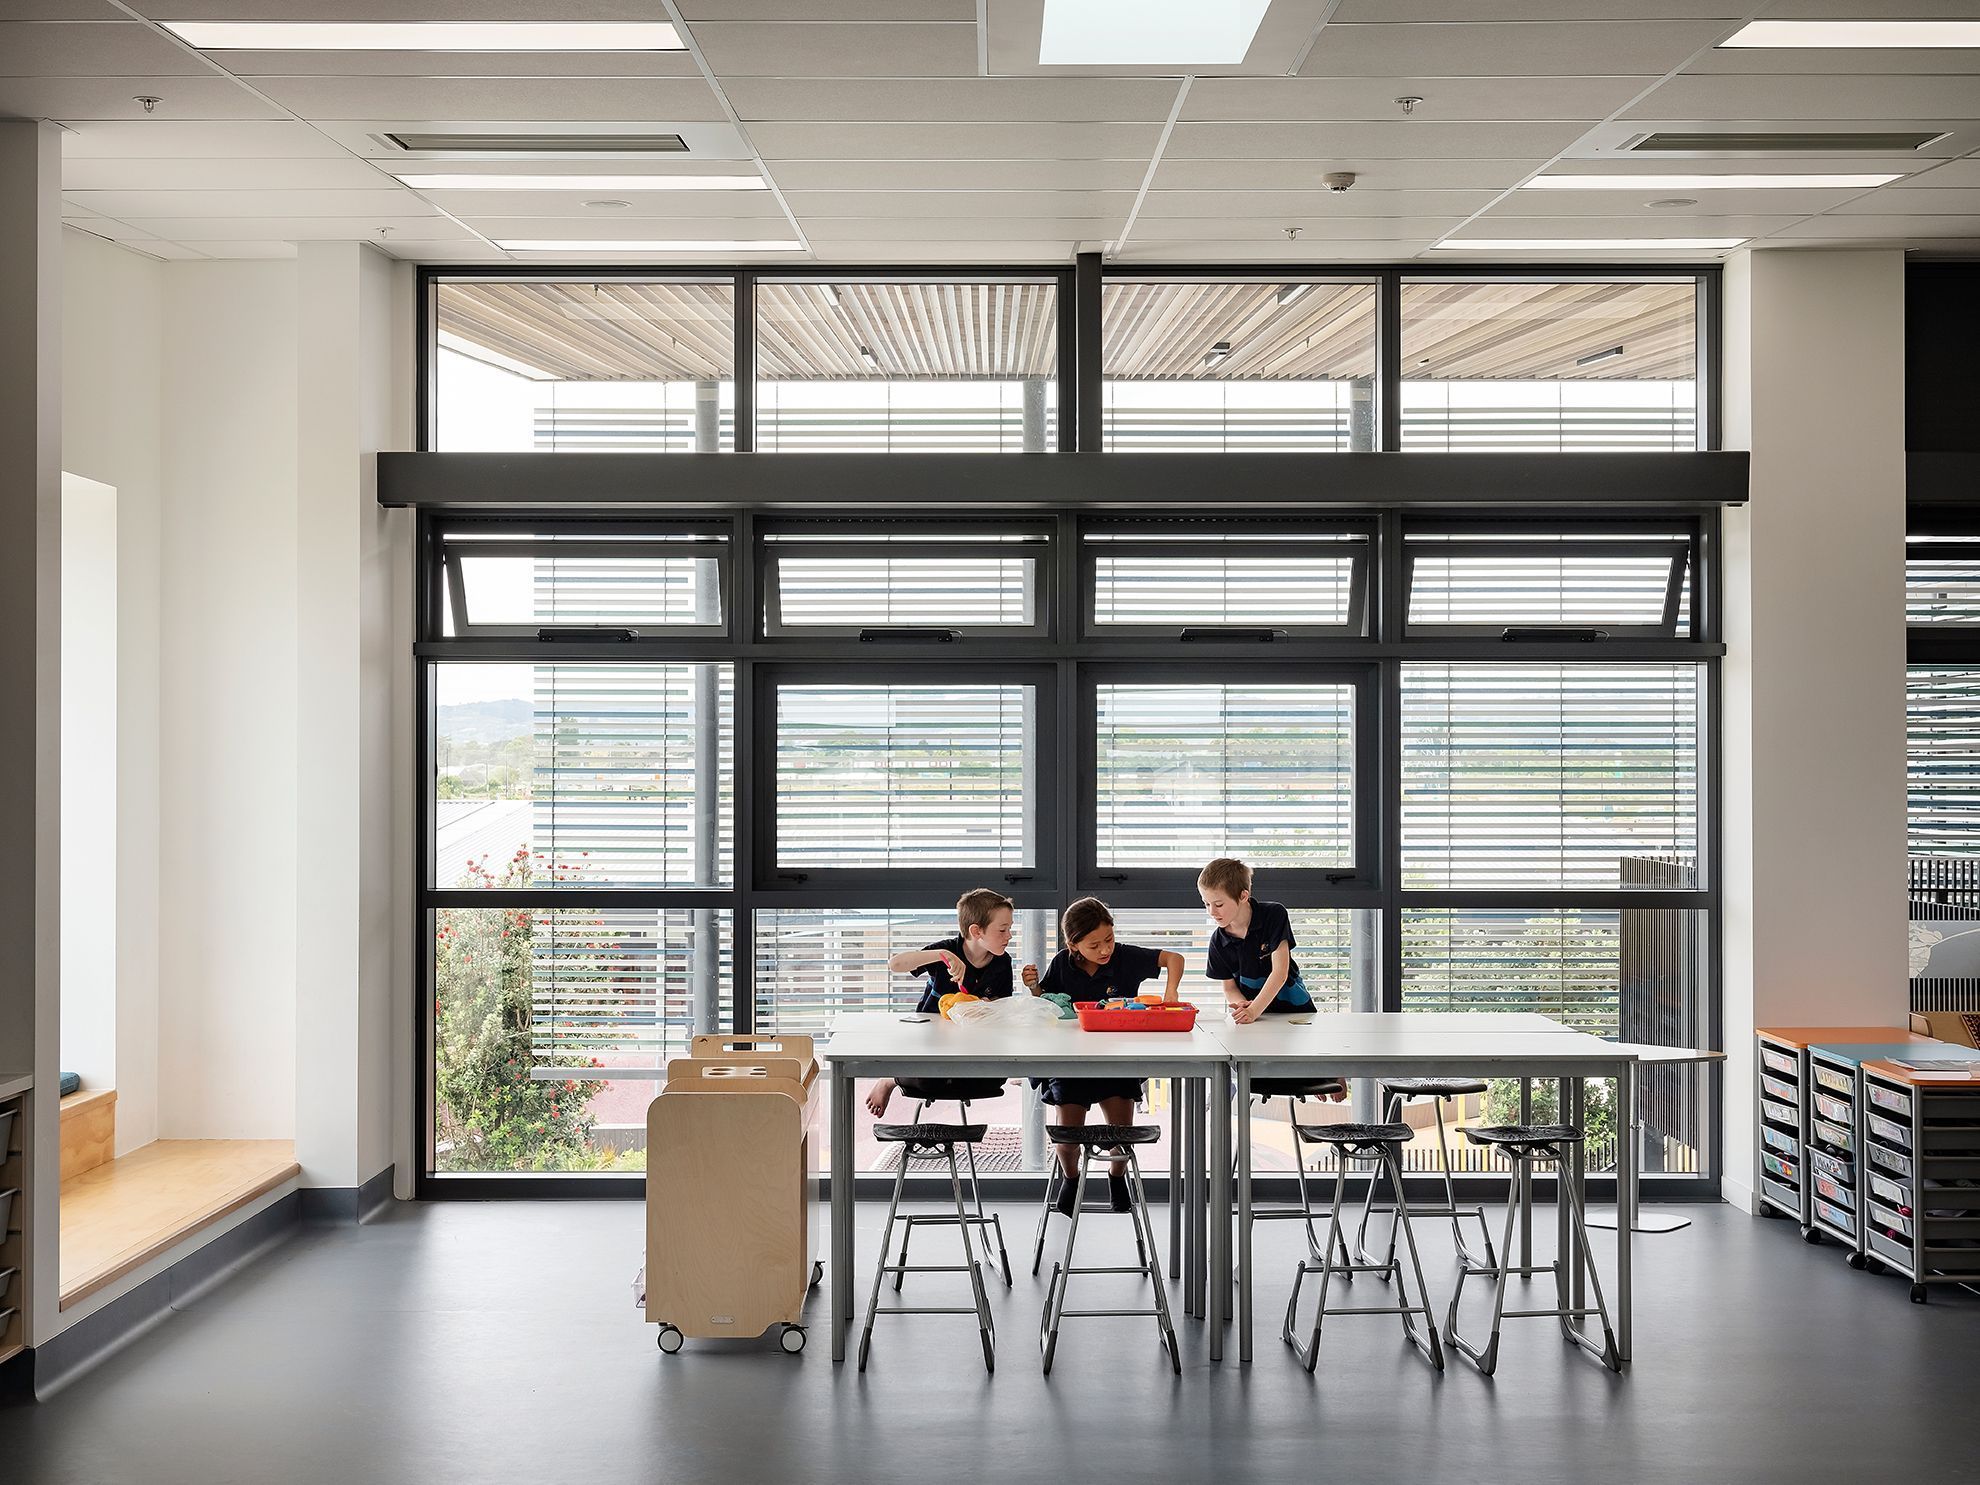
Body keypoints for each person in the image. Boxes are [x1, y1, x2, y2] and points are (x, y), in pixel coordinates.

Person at [1021, 897, 1184, 1214]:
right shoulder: (1061, 964)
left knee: (1120, 1134)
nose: (1105, 949)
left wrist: (1171, 992)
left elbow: (1174, 958)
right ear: (1074, 944)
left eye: (1108, 939)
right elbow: (1049, 1004)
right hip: (1072, 1063)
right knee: (1068, 1137)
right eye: (1094, 945)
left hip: (1117, 1061)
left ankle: (1116, 1177)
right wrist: (1033, 989)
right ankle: (1070, 1178)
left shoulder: (1125, 957)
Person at [864, 888, 1031, 1119]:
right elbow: (895, 964)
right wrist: (942, 955)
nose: (1009, 936)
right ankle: (890, 1079)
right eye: (1003, 929)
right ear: (976, 931)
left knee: (994, 1081)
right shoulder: (947, 951)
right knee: (927, 1079)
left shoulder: (1002, 963)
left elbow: (1001, 1006)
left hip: (974, 1045)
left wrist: (985, 1005)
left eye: (1009, 929)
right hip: (933, 1045)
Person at [1199, 857, 1317, 1024]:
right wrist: (1243, 1006)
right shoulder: (1218, 942)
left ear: (1243, 896)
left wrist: (1253, 1010)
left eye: (1218, 904)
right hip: (1256, 1020)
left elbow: (1280, 973)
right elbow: (1229, 988)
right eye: (1206, 904)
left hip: (1296, 1014)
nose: (1211, 911)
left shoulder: (1274, 915)